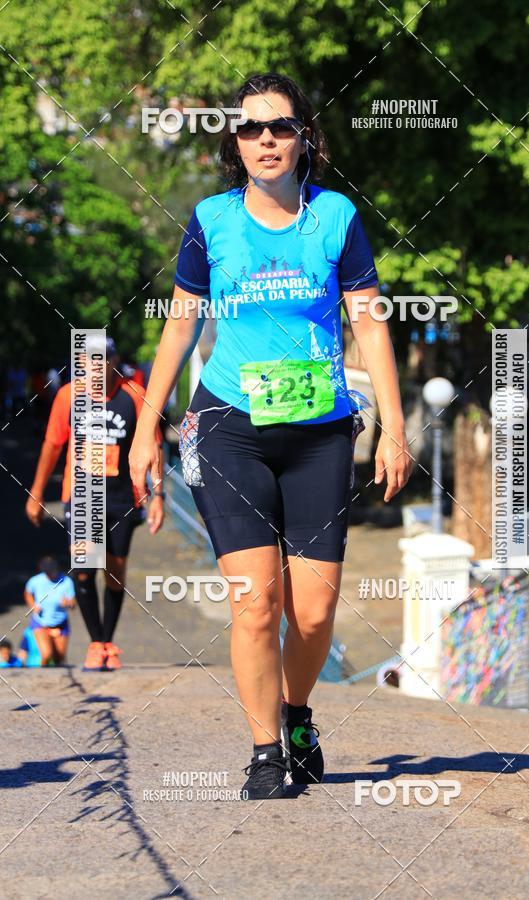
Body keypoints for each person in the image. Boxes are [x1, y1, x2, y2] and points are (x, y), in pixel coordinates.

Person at [129, 72, 412, 799]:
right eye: (251, 129)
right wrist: (146, 429)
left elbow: (370, 325)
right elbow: (181, 324)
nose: (265, 140)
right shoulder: (212, 220)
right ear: (235, 142)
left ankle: (295, 715)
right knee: (255, 602)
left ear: (303, 138)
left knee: (312, 610)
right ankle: (263, 751)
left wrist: (393, 426)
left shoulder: (338, 218)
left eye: (279, 127)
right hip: (230, 428)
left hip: (320, 433)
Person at [25, 335, 165, 671]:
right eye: (89, 359)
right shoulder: (68, 396)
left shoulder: (134, 395)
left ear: (115, 360)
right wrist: (36, 490)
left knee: (114, 573)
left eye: (103, 358)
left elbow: (154, 447)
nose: (96, 366)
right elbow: (52, 444)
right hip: (83, 493)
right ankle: (96, 644)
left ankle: (109, 642)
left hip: (123, 495)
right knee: (85, 572)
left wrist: (158, 495)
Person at [22, 556, 75, 666]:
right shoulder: (35, 581)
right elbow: (27, 593)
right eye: (46, 572)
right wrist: (33, 605)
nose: (49, 574)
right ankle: (42, 677)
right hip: (41, 622)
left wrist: (68, 603)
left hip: (60, 622)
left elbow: (73, 603)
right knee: (46, 654)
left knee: (59, 657)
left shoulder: (66, 581)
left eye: (51, 571)